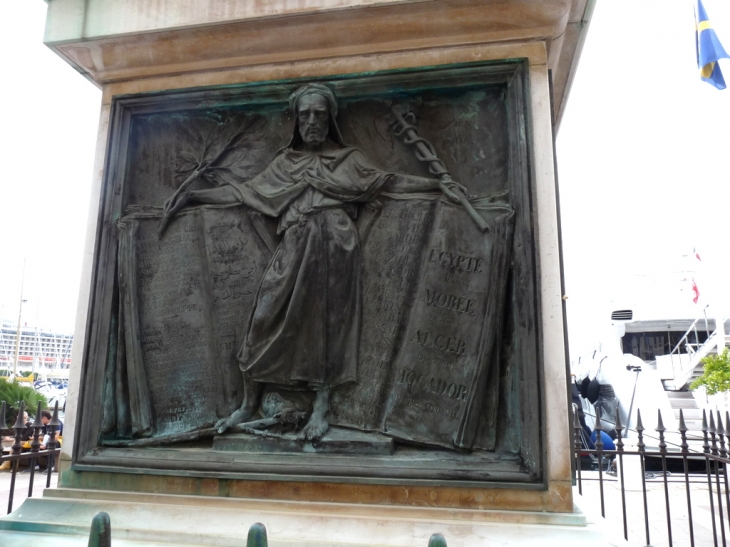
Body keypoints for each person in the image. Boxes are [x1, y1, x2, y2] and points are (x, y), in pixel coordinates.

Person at [161, 84, 465, 442]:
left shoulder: (349, 161)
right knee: (264, 317)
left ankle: (323, 406)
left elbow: (389, 183)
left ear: (330, 118)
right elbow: (243, 192)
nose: (312, 120)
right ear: (296, 121)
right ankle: (247, 402)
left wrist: (438, 186)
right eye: (305, 114)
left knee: (326, 326)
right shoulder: (285, 164)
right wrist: (192, 196)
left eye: (319, 113)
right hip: (295, 243)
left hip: (336, 246)